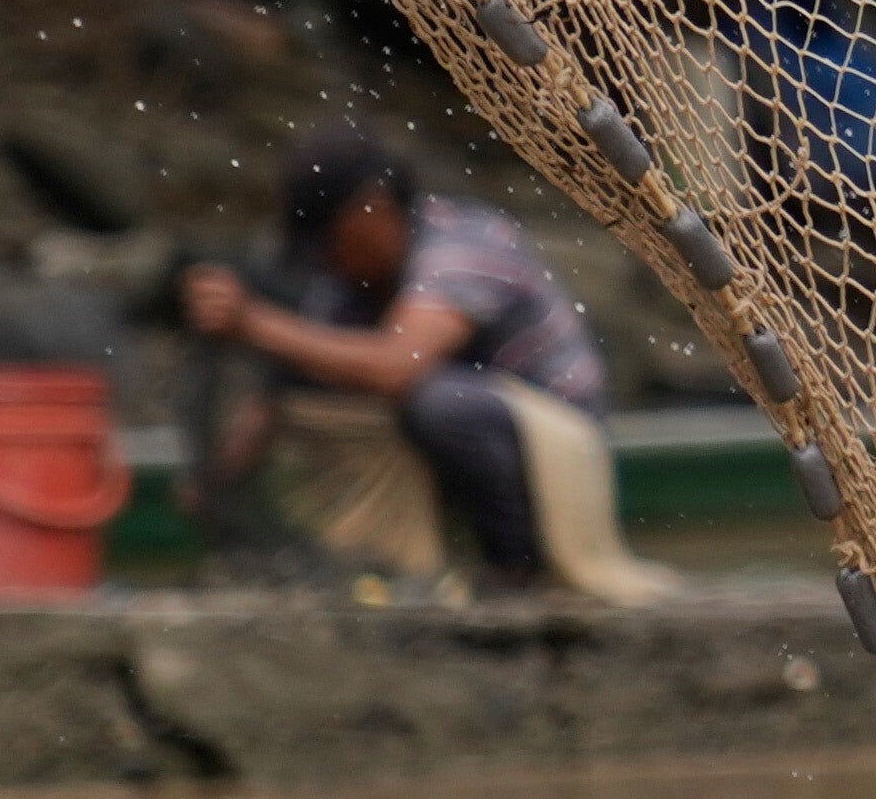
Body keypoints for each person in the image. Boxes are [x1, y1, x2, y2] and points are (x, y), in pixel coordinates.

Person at [180, 129, 671, 601]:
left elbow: (399, 365)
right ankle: (423, 567)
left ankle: (516, 572)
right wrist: (212, 480)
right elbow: (285, 384)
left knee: (434, 402)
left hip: (562, 445)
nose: (327, 261)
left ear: (371, 209)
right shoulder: (347, 284)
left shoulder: (464, 242)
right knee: (339, 390)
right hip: (463, 443)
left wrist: (253, 322)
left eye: (331, 241)